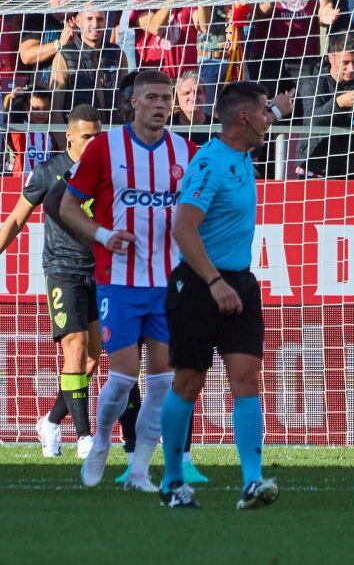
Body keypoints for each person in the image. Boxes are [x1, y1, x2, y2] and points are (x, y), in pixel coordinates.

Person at [61, 70, 197, 492]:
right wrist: (103, 235)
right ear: (133, 103)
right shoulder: (105, 148)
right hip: (118, 281)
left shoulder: (186, 151)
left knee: (161, 382)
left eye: (166, 98)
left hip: (168, 284)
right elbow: (66, 206)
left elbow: (198, 210)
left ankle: (139, 469)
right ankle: (100, 440)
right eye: (152, 97)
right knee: (121, 379)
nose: (160, 104)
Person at [158, 82, 292, 509]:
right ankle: (173, 482)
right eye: (263, 115)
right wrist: (215, 283)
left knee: (247, 380)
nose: (269, 122)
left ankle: (252, 482)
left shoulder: (242, 152)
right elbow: (183, 229)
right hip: (200, 284)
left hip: (241, 284)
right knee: (188, 382)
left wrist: (276, 105)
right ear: (243, 120)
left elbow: (266, 112)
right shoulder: (210, 164)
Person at [0, 105, 101, 458]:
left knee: (91, 359)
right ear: (69, 135)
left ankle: (51, 420)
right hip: (62, 271)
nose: (92, 143)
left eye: (97, 136)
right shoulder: (47, 173)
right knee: (73, 347)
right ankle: (85, 437)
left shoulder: (109, 172)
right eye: (86, 136)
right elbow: (14, 221)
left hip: (99, 271)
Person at [296, 32, 354, 179]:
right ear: (331, 58)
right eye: (345, 62)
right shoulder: (312, 83)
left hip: (351, 167)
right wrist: (338, 103)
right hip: (316, 166)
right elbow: (311, 121)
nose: (351, 68)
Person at [49, 10, 127, 124]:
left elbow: (125, 99)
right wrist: (63, 141)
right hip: (79, 137)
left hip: (112, 134)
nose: (95, 25)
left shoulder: (117, 54)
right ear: (78, 21)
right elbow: (55, 109)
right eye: (89, 18)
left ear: (106, 22)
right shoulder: (64, 56)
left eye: (100, 19)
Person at [18, 0, 76, 86]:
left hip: (77, 88)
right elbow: (26, 56)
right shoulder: (38, 19)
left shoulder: (84, 19)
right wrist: (59, 44)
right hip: (42, 91)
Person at [3, 85, 54, 178]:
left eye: (46, 108)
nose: (42, 113)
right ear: (26, 107)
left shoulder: (53, 131)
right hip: (22, 182)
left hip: (46, 184)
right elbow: (14, 115)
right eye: (35, 108)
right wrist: (16, 97)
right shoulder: (21, 129)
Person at [173, 70, 213, 146]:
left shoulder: (218, 128)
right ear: (176, 99)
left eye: (198, 92)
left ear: (205, 96)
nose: (193, 97)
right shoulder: (165, 128)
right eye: (186, 93)